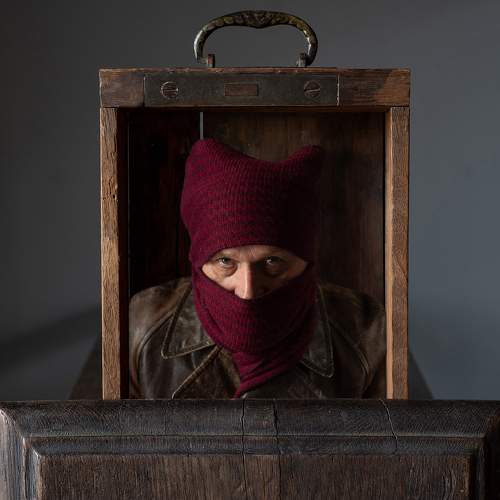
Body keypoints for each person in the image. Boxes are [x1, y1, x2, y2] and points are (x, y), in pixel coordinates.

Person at [129, 138, 386, 399]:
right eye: (225, 262)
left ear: (307, 260)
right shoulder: (141, 328)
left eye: (272, 262)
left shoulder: (366, 333)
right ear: (198, 261)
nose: (248, 292)